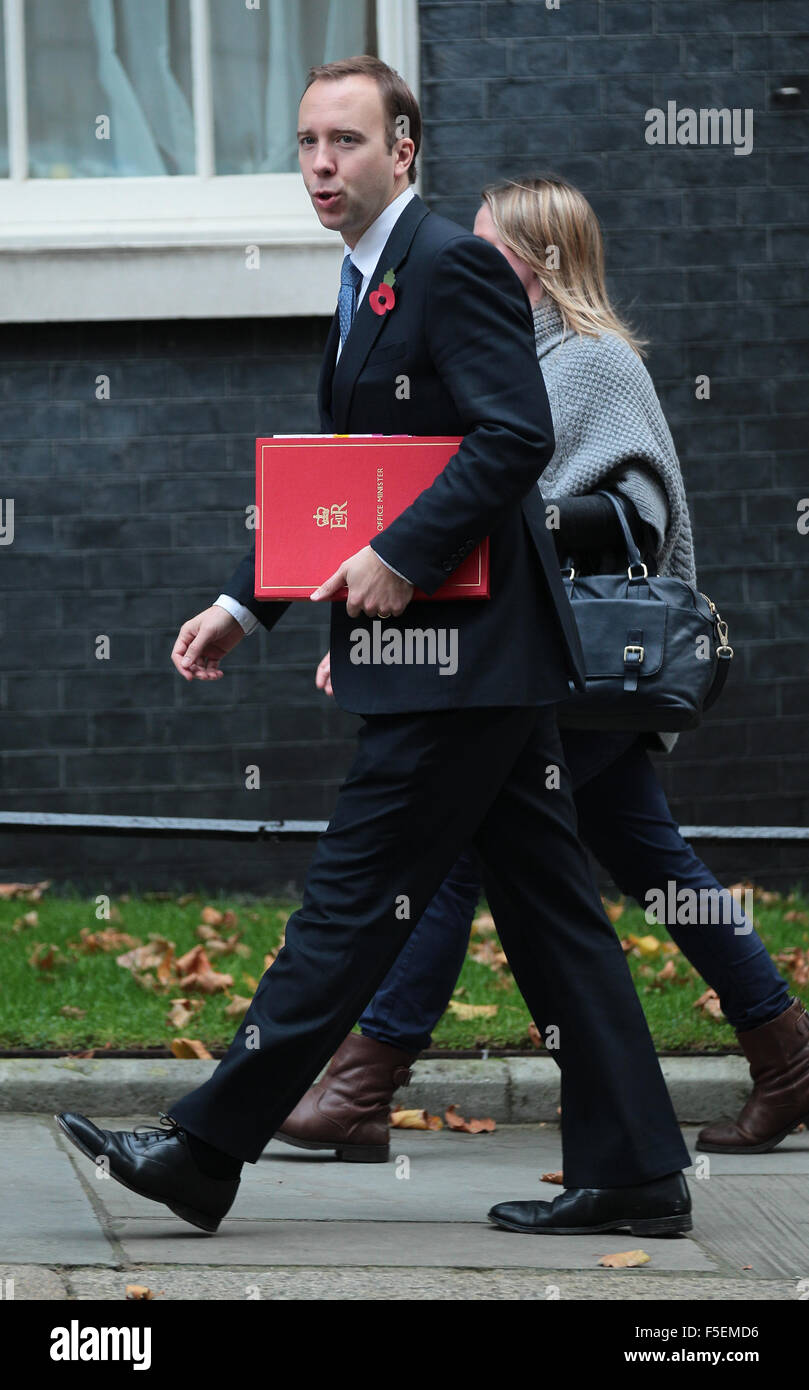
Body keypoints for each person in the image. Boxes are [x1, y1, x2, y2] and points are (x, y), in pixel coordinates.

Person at [55, 56, 692, 1239]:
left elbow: (517, 435)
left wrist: (399, 558)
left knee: (347, 900)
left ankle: (203, 1148)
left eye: (344, 142)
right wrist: (248, 603)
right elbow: (346, 484)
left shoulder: (447, 261)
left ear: (401, 150)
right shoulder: (365, 278)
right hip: (469, 666)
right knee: (554, 916)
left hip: (462, 663)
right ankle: (639, 1168)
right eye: (304, 144)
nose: (318, 165)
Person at [275, 176, 809, 1181]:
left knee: (456, 850)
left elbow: (633, 521)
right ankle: (783, 1055)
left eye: (487, 252)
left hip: (578, 665)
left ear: (542, 264)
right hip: (527, 658)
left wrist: (512, 525)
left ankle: (363, 1080)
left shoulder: (591, 363)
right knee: (652, 861)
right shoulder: (496, 362)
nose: (465, 267)